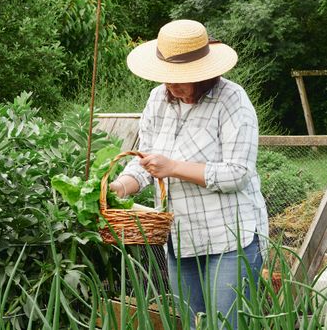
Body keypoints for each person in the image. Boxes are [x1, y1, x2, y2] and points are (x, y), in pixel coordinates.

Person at [109, 19, 268, 329]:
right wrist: (120, 187)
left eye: (181, 78)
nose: (172, 85)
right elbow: (145, 160)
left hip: (230, 239)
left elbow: (238, 172)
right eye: (167, 77)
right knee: (194, 323)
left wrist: (173, 168)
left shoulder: (232, 100)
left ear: (206, 73)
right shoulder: (158, 100)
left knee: (225, 324)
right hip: (182, 238)